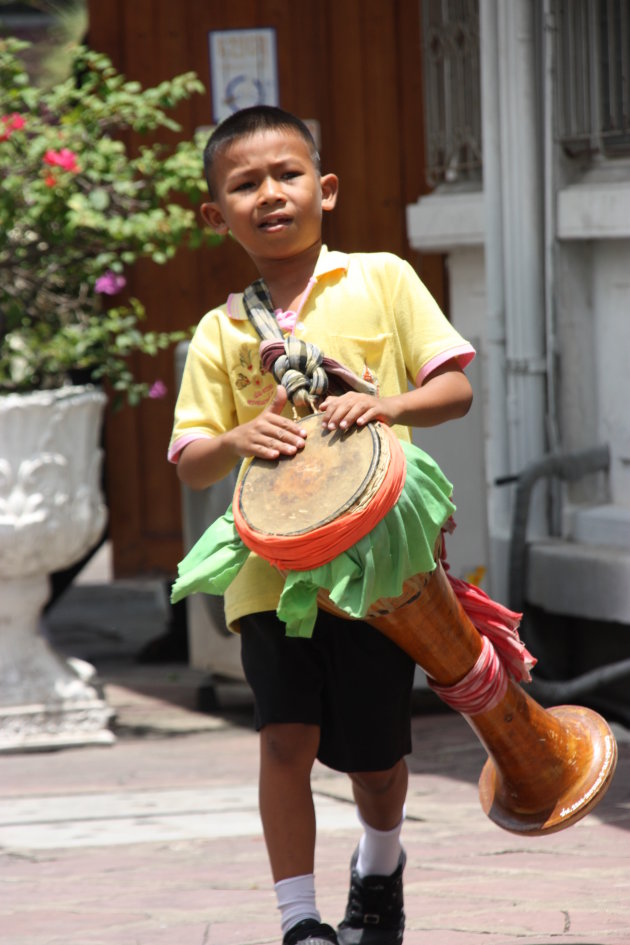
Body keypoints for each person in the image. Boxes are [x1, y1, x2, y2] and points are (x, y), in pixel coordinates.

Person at [169, 105, 475, 945]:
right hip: (269, 565)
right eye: (244, 184)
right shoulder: (220, 330)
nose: (269, 194)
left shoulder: (381, 277)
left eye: (287, 174)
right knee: (283, 740)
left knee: (377, 765)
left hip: (380, 570)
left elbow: (455, 389)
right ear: (215, 214)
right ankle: (299, 920)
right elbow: (191, 456)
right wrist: (233, 437)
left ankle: (380, 865)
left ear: (325, 188)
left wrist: (389, 401)